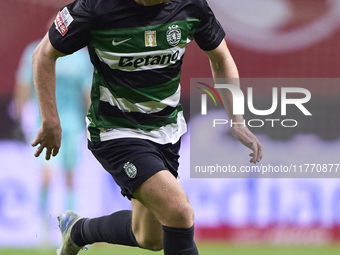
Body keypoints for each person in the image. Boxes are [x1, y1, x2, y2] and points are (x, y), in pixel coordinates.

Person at [31, 0, 264, 254]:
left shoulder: (190, 5)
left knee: (150, 237)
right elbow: (43, 54)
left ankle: (77, 231)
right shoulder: (95, 7)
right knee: (179, 211)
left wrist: (237, 120)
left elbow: (220, 57)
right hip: (116, 131)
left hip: (167, 131)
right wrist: (50, 119)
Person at [14, 35, 92, 218]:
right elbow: (24, 82)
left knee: (70, 175)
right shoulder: (38, 50)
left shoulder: (80, 57)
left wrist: (90, 120)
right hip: (44, 122)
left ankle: (70, 222)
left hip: (72, 124)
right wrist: (22, 113)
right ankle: (42, 223)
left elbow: (86, 90)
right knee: (47, 175)